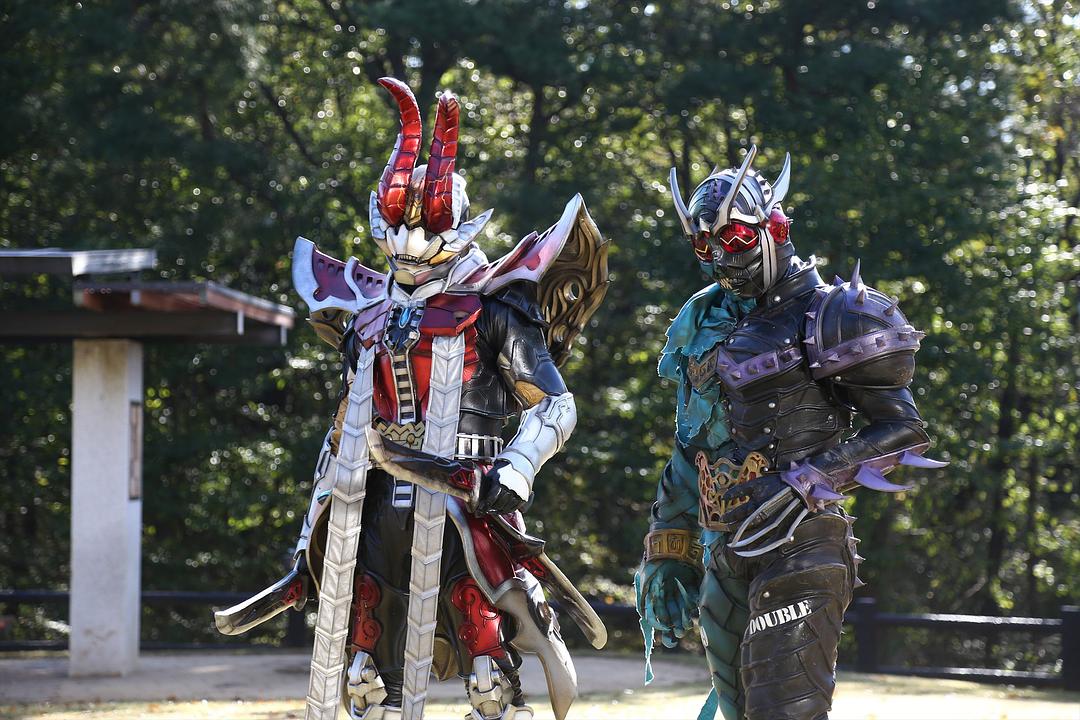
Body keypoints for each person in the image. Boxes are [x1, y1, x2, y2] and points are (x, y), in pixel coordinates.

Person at [216, 77, 608, 720]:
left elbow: (554, 405)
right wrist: (308, 538)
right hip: (370, 502)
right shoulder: (367, 316)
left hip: (465, 500)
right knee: (365, 675)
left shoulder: (494, 308)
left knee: (488, 675)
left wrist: (515, 469)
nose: (412, 264)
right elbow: (344, 429)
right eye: (399, 248)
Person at [636, 145, 944, 720]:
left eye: (735, 239)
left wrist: (801, 482)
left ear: (774, 228)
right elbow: (692, 443)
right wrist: (668, 546)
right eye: (705, 246)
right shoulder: (706, 323)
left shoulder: (834, 313)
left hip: (802, 544)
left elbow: (903, 431)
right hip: (726, 549)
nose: (722, 260)